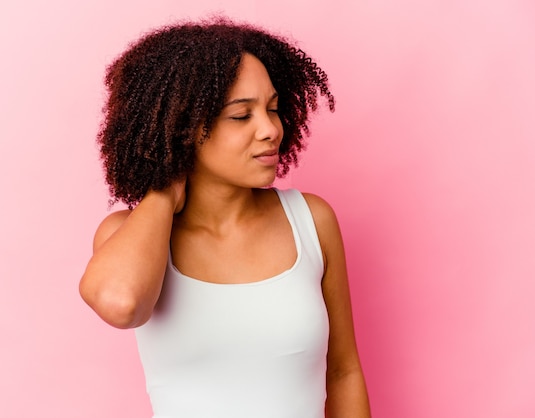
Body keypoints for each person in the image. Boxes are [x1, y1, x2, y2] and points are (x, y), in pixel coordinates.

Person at [79, 17, 371, 418]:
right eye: (241, 116)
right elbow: (121, 303)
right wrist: (164, 190)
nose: (271, 129)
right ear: (182, 128)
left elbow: (342, 372)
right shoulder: (127, 235)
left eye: (273, 109)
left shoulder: (311, 221)